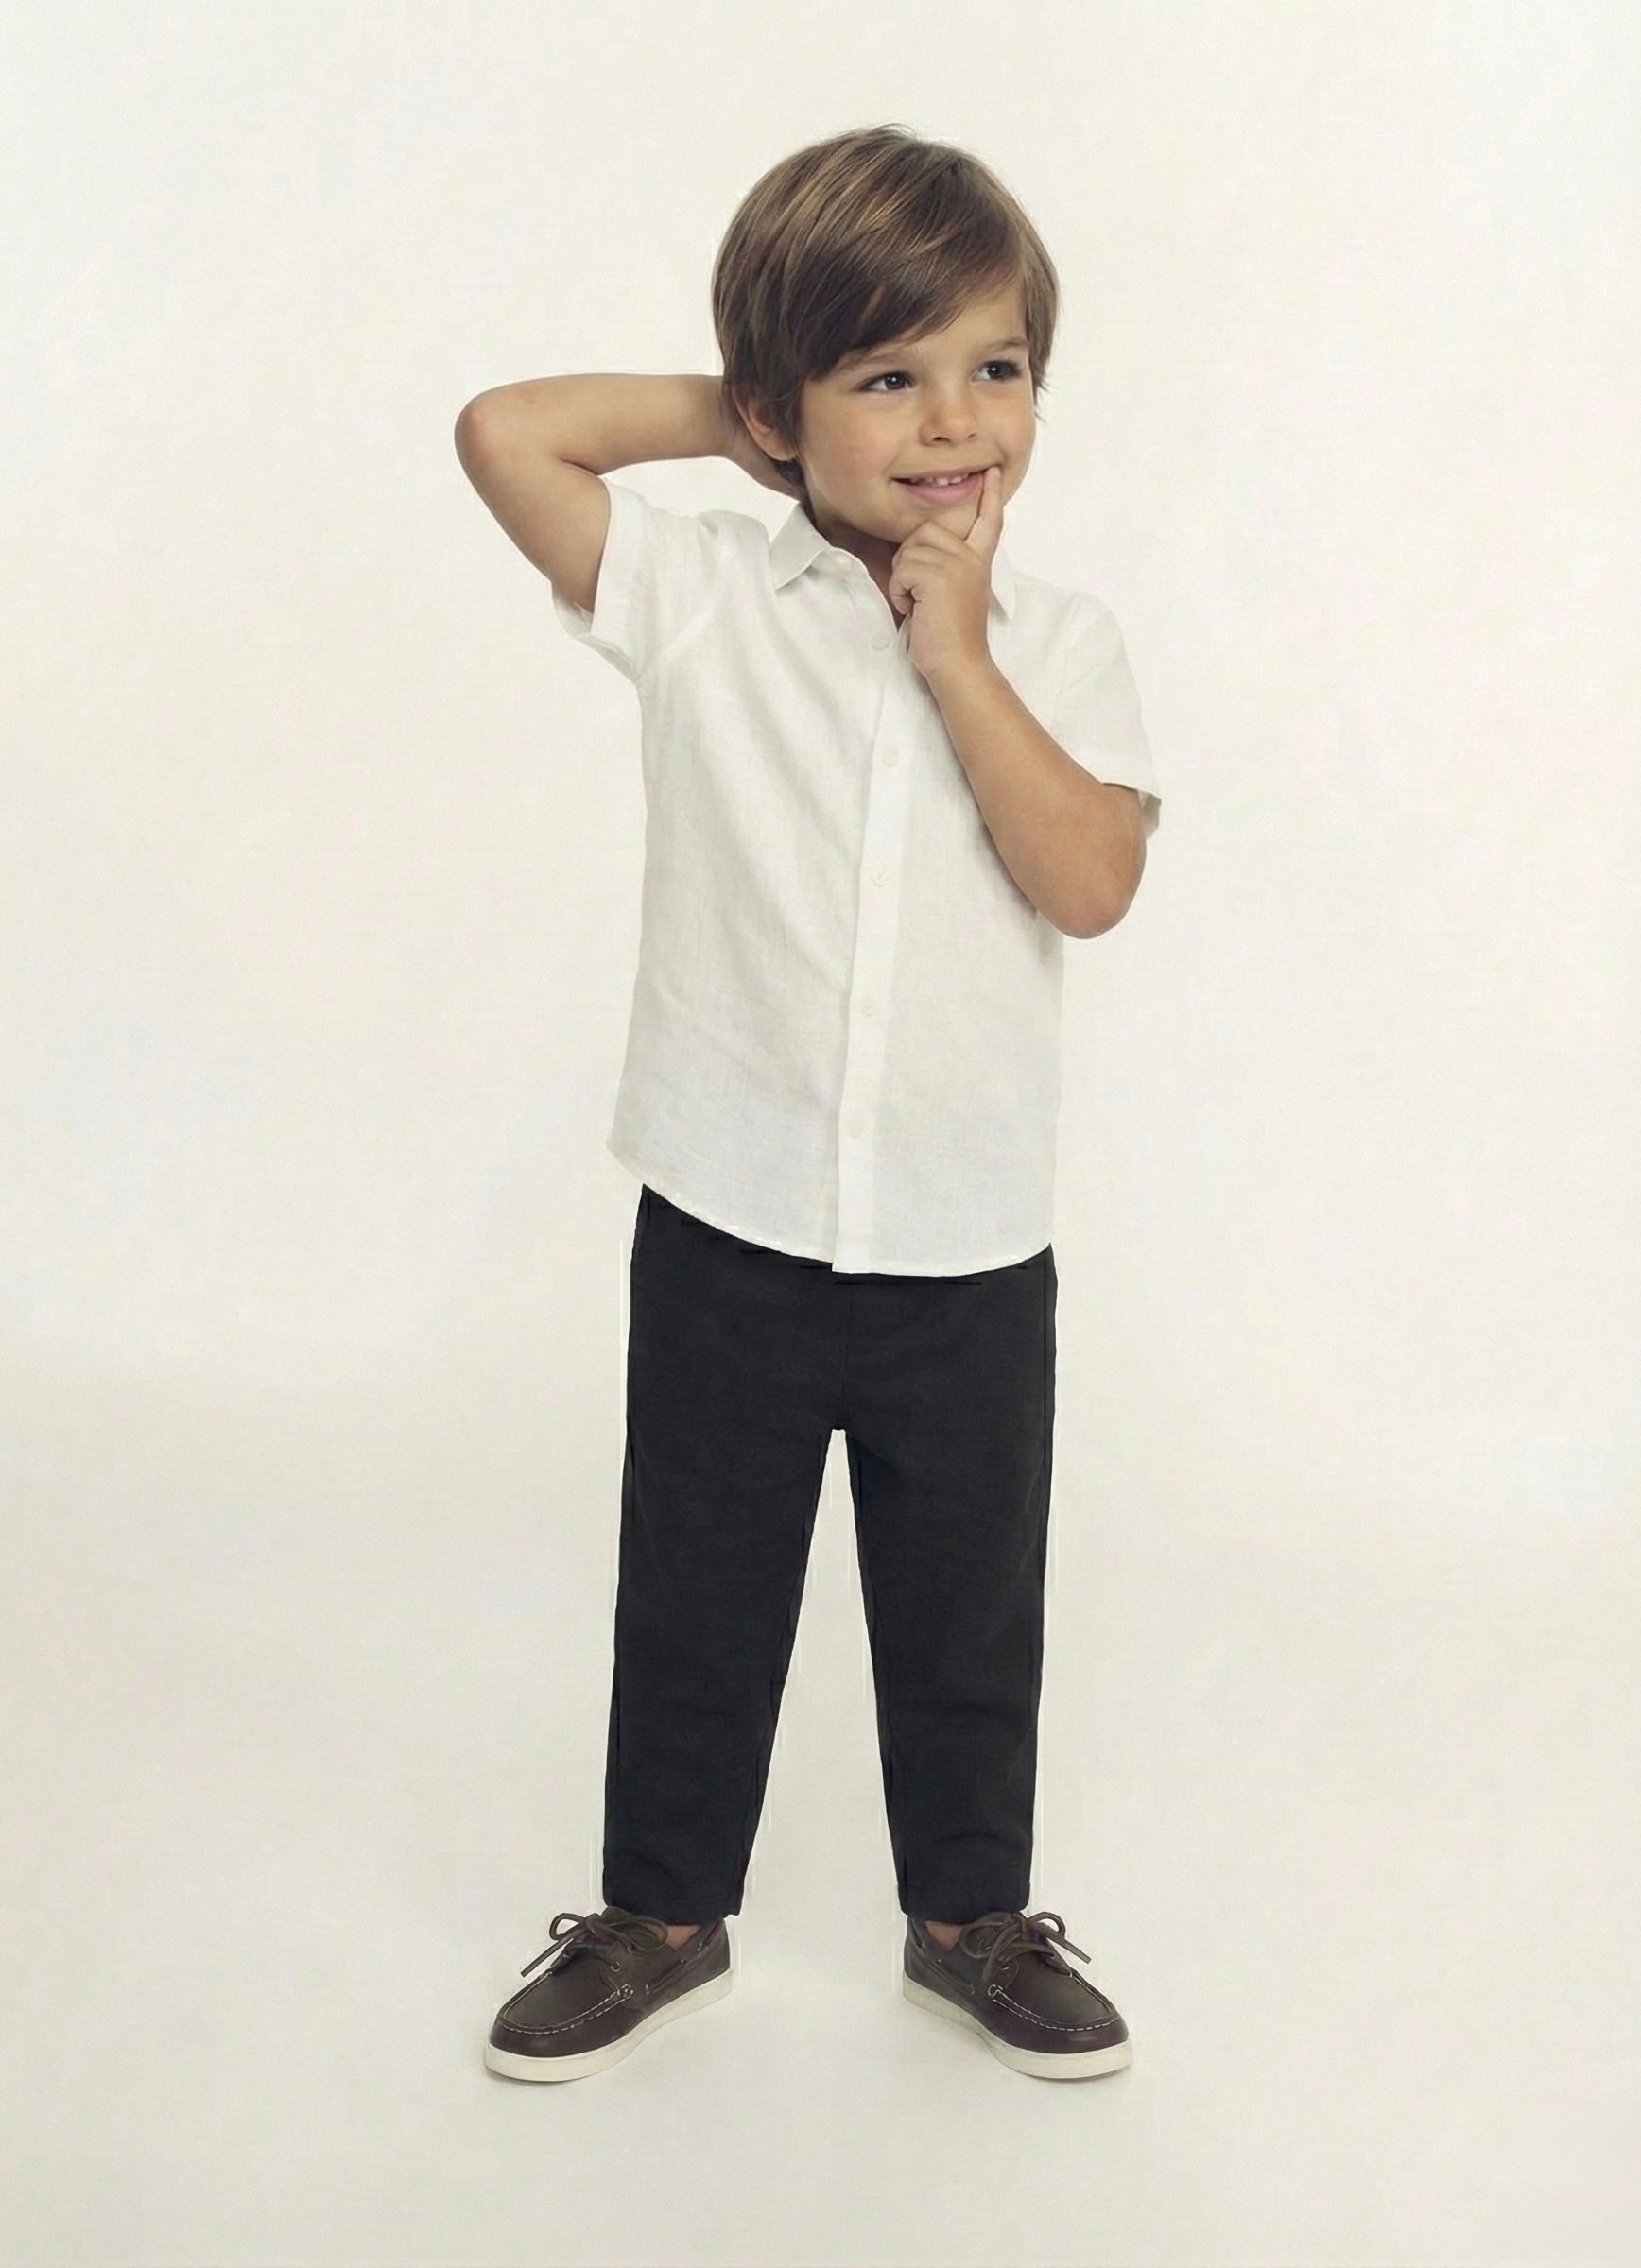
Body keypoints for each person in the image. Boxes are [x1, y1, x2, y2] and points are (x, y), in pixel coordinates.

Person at [453, 124, 1160, 2086]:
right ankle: (661, 1913)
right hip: (731, 1213)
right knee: (697, 1585)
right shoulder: (696, 593)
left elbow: (1090, 881)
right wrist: (754, 418)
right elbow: (508, 432)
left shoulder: (1061, 643)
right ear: (784, 413)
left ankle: (971, 1919)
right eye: (887, 377)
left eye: (995, 368)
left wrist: (956, 656)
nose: (954, 423)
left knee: (964, 1603)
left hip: (964, 1238)